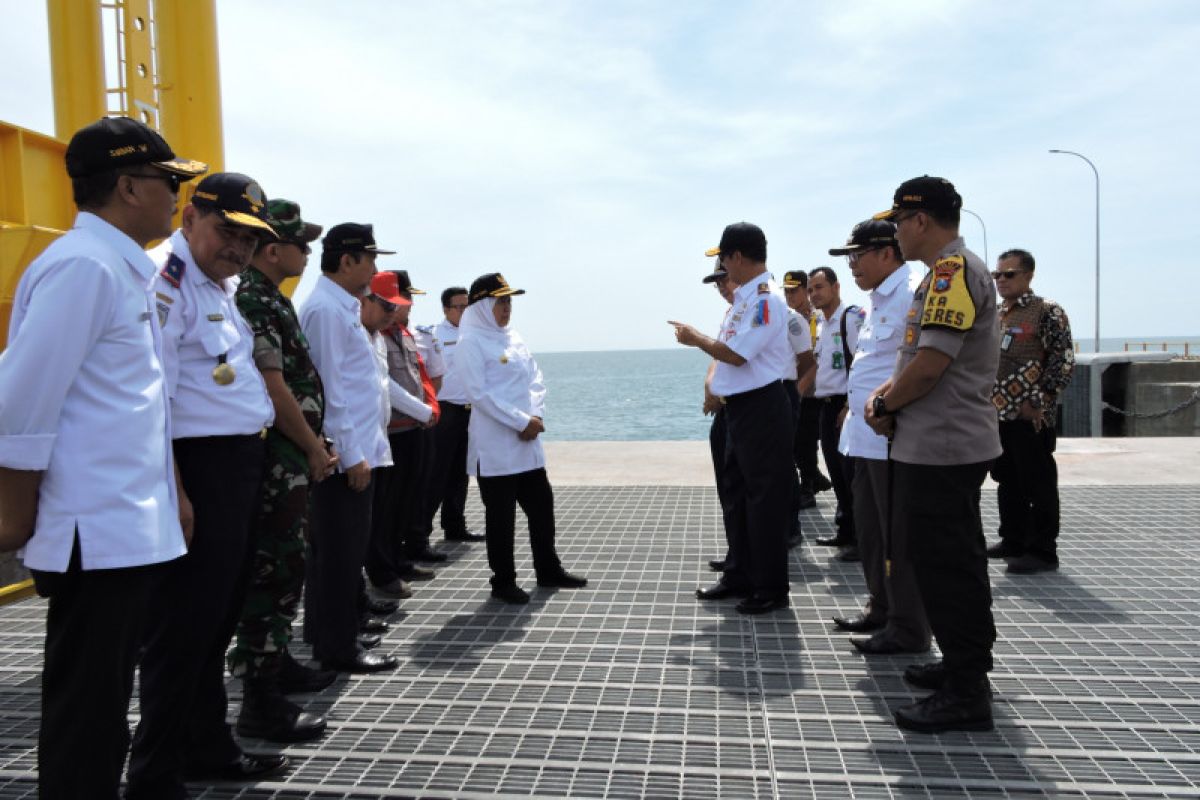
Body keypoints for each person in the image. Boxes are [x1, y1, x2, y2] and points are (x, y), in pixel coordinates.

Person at [0, 116, 201, 800]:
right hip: (94, 532)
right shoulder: (84, 268)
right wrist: (16, 513)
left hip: (125, 527)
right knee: (87, 718)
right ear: (126, 185)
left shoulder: (116, 267)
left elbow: (131, 407)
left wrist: (170, 497)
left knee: (104, 710)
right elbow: (21, 400)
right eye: (167, 181)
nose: (175, 195)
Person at [128, 172, 284, 797]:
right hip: (196, 470)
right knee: (181, 631)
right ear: (190, 217)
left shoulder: (220, 284)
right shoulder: (163, 282)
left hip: (235, 467)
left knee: (214, 624)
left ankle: (207, 747)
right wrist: (177, 492)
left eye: (250, 239)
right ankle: (154, 777)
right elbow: (154, 397)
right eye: (227, 231)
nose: (239, 248)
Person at [865, 175, 1000, 733]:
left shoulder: (950, 273)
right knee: (954, 563)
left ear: (921, 220)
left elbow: (929, 365)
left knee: (947, 569)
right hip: (943, 443)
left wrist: (885, 401)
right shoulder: (946, 274)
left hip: (942, 446)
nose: (895, 230)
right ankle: (964, 668)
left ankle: (967, 692)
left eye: (899, 221)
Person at [228, 198, 337, 743]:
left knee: (288, 566)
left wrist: (315, 443)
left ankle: (277, 667)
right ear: (274, 249)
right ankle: (259, 700)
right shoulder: (253, 298)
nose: (307, 253)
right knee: (273, 572)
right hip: (278, 461)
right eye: (301, 244)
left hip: (292, 457)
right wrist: (312, 447)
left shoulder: (270, 297)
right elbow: (274, 387)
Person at [672, 222, 793, 614]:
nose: (723, 266)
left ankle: (771, 587)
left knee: (763, 501)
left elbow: (738, 354)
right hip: (741, 407)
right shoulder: (744, 301)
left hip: (762, 406)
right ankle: (739, 573)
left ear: (737, 257)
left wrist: (696, 339)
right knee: (737, 495)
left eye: (724, 258)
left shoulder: (765, 300)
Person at [298, 223, 399, 673]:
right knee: (339, 556)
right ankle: (337, 649)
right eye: (370, 259)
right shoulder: (325, 310)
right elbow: (329, 391)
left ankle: (332, 634)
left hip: (356, 450)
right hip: (345, 457)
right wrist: (353, 452)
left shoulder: (342, 307)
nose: (375, 268)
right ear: (346, 261)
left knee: (341, 553)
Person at [828, 219, 930, 656]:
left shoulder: (910, 293)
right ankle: (881, 606)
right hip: (864, 439)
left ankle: (908, 627)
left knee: (897, 537)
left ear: (887, 252)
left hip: (891, 437)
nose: (852, 266)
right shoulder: (876, 300)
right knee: (870, 531)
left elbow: (916, 366)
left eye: (857, 255)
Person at [457, 273, 587, 604]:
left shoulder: (512, 336)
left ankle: (548, 569)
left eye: (509, 301)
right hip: (496, 446)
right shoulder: (470, 341)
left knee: (542, 508)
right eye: (500, 301)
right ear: (482, 305)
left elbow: (535, 378)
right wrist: (520, 421)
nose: (506, 308)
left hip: (527, 442)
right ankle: (503, 581)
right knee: (501, 519)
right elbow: (478, 394)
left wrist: (536, 415)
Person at [987, 248, 1074, 573]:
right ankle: (1013, 538)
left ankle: (1042, 550)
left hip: (1031, 416)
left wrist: (1039, 399)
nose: (1001, 280)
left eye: (1009, 274)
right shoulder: (997, 314)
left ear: (1028, 275)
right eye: (998, 275)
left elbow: (1063, 361)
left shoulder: (1047, 312)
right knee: (1007, 478)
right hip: (998, 415)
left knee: (1038, 483)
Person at [364, 270, 440, 600]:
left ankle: (398, 560)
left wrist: (430, 407)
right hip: (391, 431)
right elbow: (387, 386)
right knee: (384, 509)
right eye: (391, 303)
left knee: (406, 501)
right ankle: (382, 571)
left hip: (411, 429)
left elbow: (420, 376)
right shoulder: (370, 335)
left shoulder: (402, 335)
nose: (398, 308)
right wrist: (424, 411)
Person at [803, 266, 865, 562]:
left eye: (819, 287)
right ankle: (844, 529)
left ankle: (860, 538)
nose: (814, 294)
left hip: (845, 405)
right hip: (825, 405)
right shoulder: (820, 323)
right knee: (836, 472)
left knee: (851, 473)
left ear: (836, 287)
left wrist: (849, 406)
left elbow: (861, 365)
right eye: (811, 289)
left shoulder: (850, 319)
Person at [425, 286, 487, 544]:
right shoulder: (433, 335)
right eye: (459, 307)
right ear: (445, 310)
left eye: (467, 306)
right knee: (436, 474)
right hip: (445, 410)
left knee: (462, 473)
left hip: (470, 412)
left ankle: (455, 526)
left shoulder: (476, 335)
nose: (464, 311)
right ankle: (419, 535)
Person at [783, 270, 831, 508]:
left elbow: (819, 359)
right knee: (795, 442)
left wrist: (800, 390)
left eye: (795, 290)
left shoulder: (819, 320)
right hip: (792, 388)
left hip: (812, 392)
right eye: (786, 291)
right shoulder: (785, 318)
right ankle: (814, 478)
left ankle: (808, 487)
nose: (790, 295)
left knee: (805, 441)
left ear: (805, 290)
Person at [701, 263, 735, 573]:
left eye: (724, 279)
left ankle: (749, 566)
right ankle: (736, 556)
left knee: (748, 494)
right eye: (718, 284)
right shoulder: (732, 314)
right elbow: (719, 357)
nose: (722, 287)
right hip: (725, 412)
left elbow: (738, 357)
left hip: (748, 412)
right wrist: (710, 388)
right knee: (730, 491)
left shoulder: (763, 307)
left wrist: (695, 338)